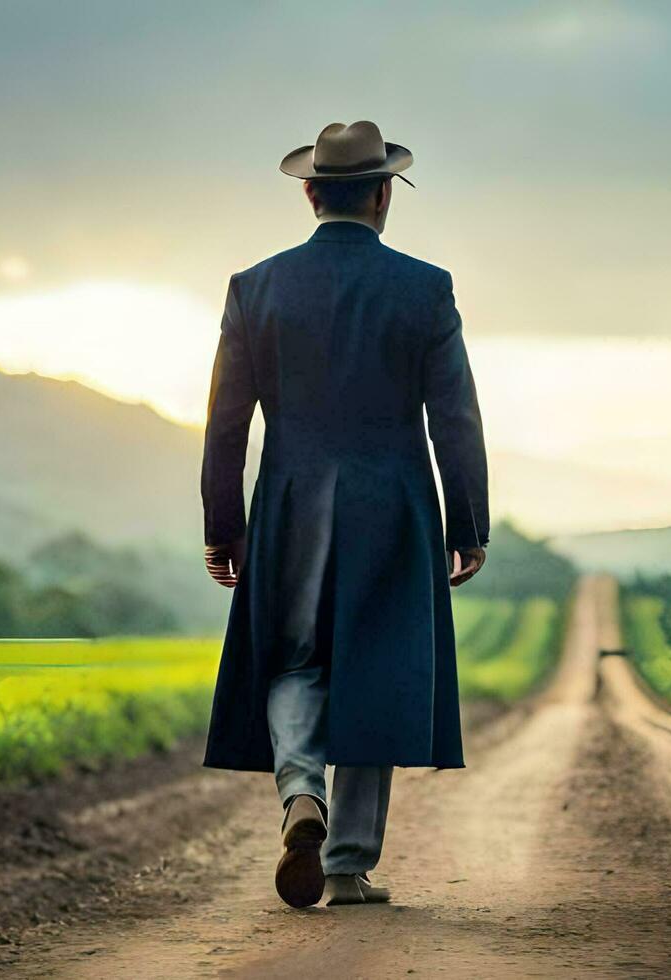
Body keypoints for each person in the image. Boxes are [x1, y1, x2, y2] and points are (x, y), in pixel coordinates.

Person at [200, 121, 489, 909]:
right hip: (392, 502)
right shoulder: (426, 288)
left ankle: (302, 795)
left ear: (309, 191)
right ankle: (347, 865)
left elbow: (227, 422)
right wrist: (467, 524)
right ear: (384, 194)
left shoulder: (253, 287)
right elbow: (453, 418)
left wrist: (223, 525)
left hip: (290, 500)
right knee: (378, 668)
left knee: (295, 662)